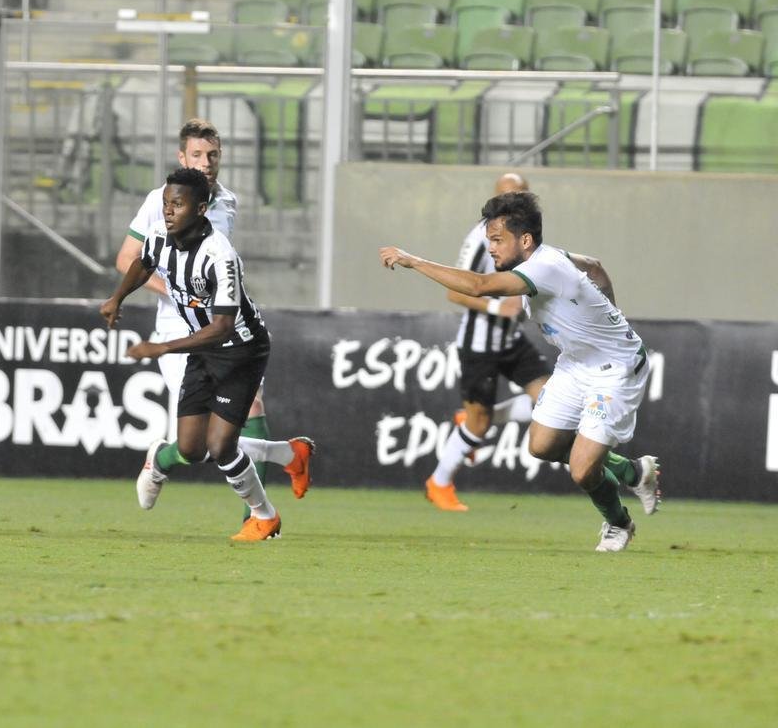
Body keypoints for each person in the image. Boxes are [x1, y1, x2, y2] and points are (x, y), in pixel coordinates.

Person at [379, 190, 661, 552]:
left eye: (497, 240)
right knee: (542, 446)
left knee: (581, 470)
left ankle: (618, 523)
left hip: (615, 369)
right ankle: (634, 472)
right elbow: (594, 265)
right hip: (575, 365)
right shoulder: (552, 256)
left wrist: (412, 260)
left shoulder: (544, 267)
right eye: (488, 240)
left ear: (524, 240)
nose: (491, 249)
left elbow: (479, 287)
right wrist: (610, 310)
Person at [113, 119, 313, 523]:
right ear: (182, 157)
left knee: (249, 411)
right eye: (198, 155)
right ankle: (165, 458)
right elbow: (125, 259)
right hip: (176, 330)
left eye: (213, 155)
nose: (206, 162)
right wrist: (180, 290)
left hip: (226, 332)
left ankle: (254, 519)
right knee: (199, 446)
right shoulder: (160, 199)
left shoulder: (228, 201)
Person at [101, 167, 282, 542]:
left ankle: (265, 518)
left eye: (177, 205)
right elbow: (142, 263)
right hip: (203, 348)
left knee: (220, 447)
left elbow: (222, 327)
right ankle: (287, 455)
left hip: (241, 351)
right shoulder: (159, 237)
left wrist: (161, 347)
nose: (168, 211)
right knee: (189, 447)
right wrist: (118, 297)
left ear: (201, 209)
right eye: (167, 203)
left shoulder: (220, 256)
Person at [427, 172, 551, 512]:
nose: (516, 201)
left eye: (521, 194)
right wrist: (499, 306)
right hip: (479, 343)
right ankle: (439, 483)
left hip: (511, 340)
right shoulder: (482, 237)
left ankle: (475, 420)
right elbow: (455, 291)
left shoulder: (529, 238)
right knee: (477, 426)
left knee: (552, 400)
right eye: (509, 195)